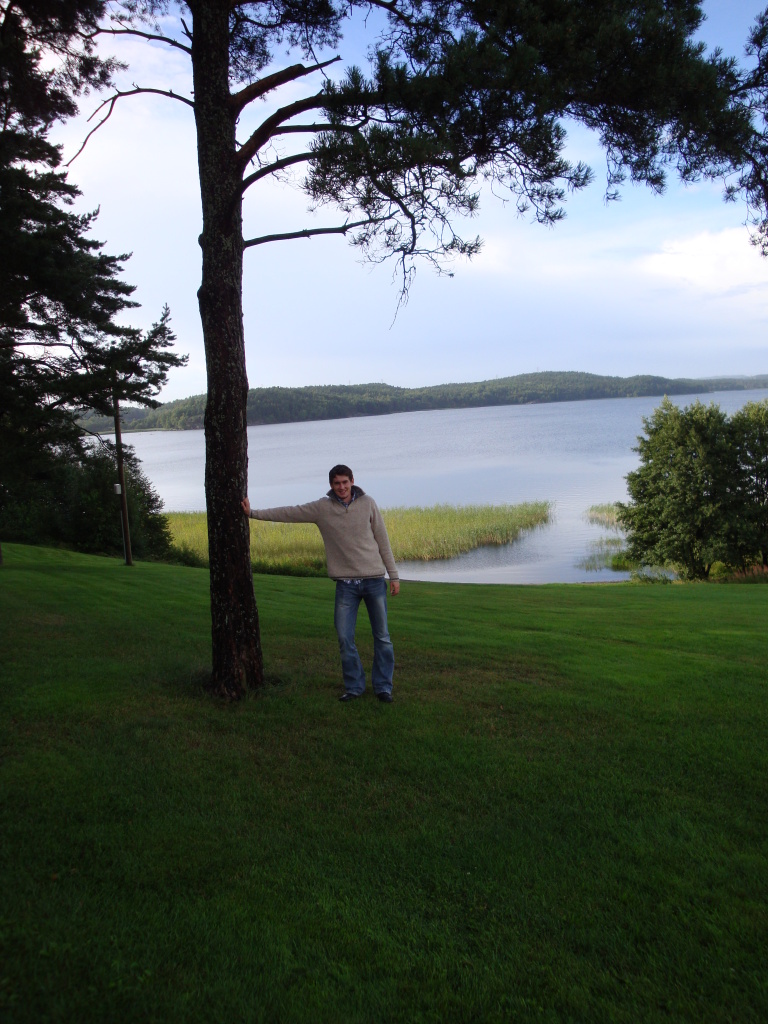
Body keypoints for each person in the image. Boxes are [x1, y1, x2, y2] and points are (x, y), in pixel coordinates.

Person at [241, 465, 400, 703]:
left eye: (345, 482)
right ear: (331, 485)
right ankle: (354, 687)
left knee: (383, 637)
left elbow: (383, 540)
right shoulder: (322, 508)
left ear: (352, 481)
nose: (342, 487)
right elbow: (289, 513)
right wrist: (252, 513)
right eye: (337, 483)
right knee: (344, 638)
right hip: (345, 585)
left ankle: (383, 687)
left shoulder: (368, 503)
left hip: (374, 580)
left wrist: (394, 576)